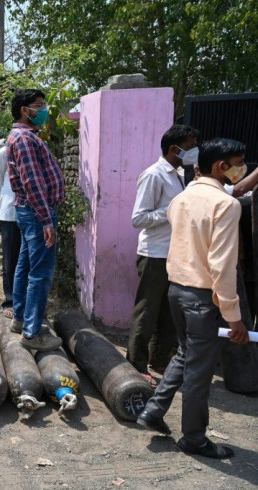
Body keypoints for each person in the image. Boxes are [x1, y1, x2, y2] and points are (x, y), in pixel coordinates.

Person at [137, 138, 250, 459]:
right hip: (202, 298)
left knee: (186, 354)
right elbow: (223, 265)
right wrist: (234, 317)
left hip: (177, 290)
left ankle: (154, 411)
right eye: (239, 162)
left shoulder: (182, 198)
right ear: (221, 166)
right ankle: (195, 438)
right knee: (198, 373)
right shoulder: (226, 205)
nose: (242, 169)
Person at [127, 125, 199, 386]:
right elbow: (139, 218)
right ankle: (135, 363)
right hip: (155, 254)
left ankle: (159, 359)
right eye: (190, 147)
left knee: (169, 310)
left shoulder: (178, 174)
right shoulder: (154, 175)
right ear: (174, 149)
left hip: (174, 253)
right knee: (147, 310)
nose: (194, 152)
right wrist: (172, 209)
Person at [7, 89, 65, 351]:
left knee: (25, 264)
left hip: (29, 211)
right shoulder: (25, 139)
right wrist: (46, 220)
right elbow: (33, 181)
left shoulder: (24, 136)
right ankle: (32, 333)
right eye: (38, 106)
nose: (43, 110)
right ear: (24, 110)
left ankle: (20, 319)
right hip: (36, 211)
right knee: (40, 273)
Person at [0, 138, 21, 320]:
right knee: (10, 259)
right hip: (9, 212)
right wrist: (4, 197)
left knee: (26, 260)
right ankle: (10, 300)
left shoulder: (36, 150)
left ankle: (24, 300)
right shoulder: (3, 153)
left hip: (31, 214)